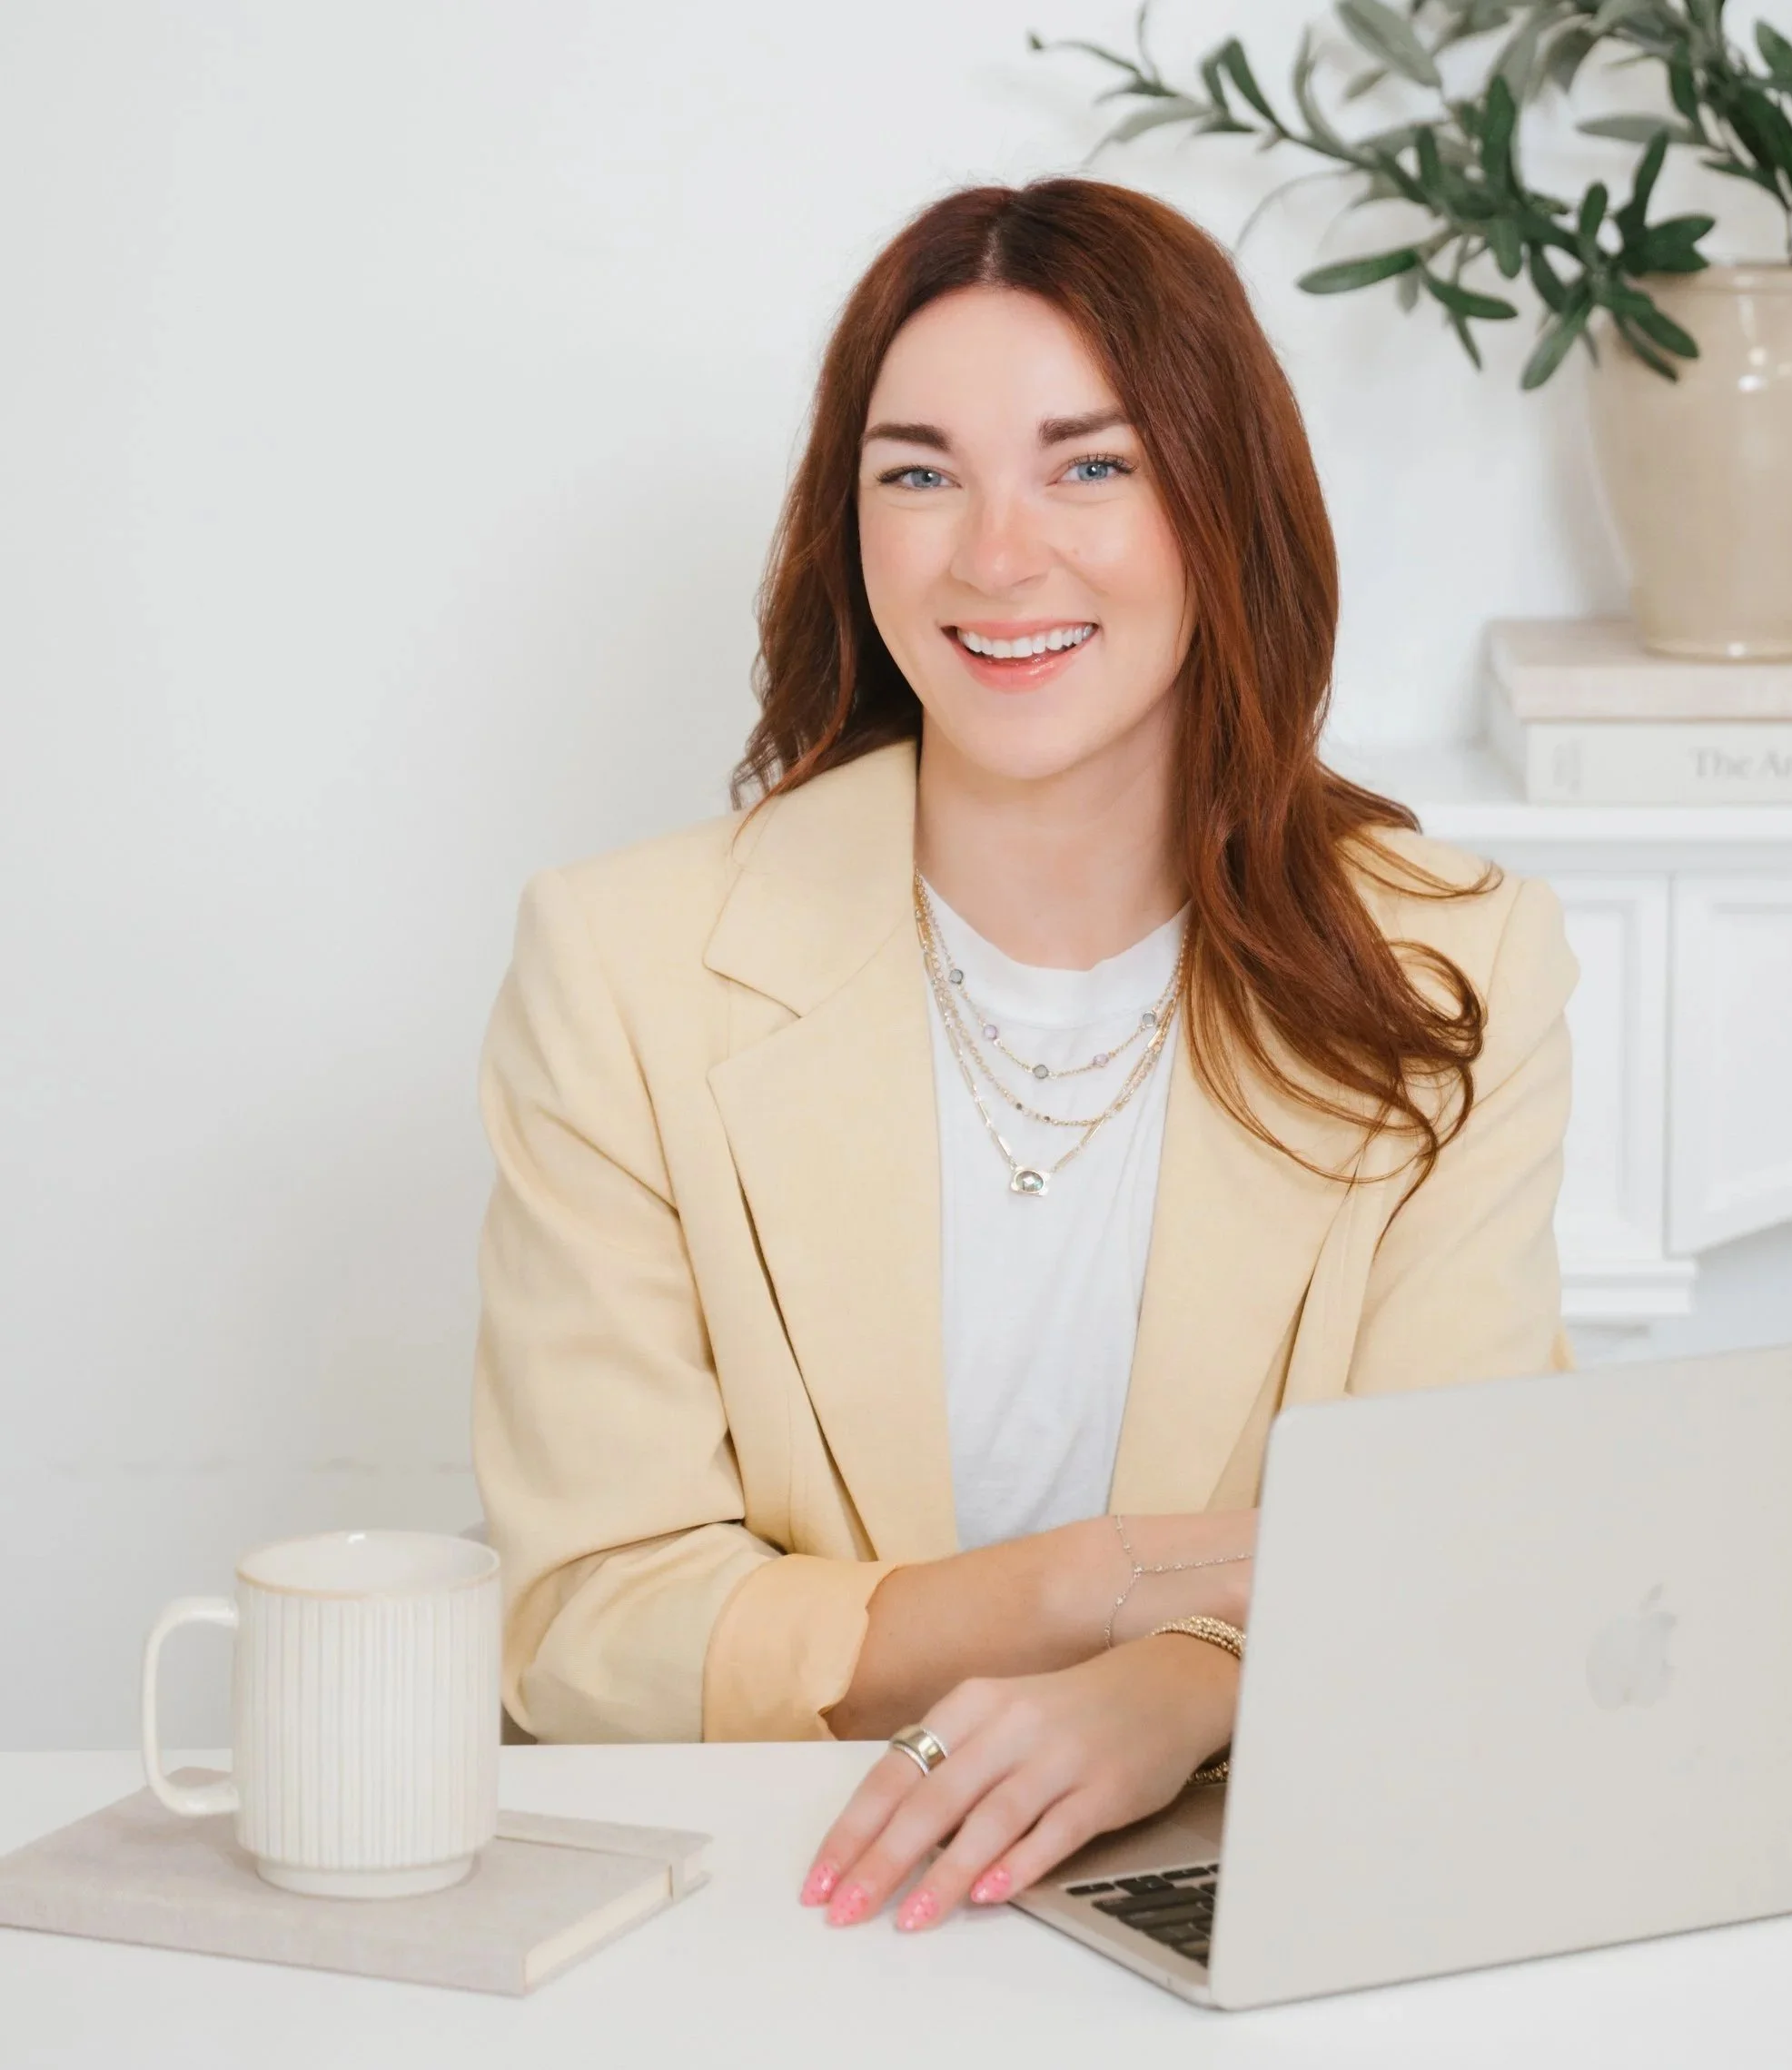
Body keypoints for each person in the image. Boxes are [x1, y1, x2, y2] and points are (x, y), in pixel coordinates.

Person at [471, 177, 1577, 1938]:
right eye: (917, 471)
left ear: (1223, 506)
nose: (996, 552)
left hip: (1266, 1891)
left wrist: (1182, 1684)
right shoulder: (621, 968)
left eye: (1089, 463)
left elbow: (1478, 1538)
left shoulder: (1457, 962)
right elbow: (585, 1627)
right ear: (850, 528)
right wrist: (1093, 1582)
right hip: (786, 1898)